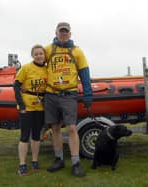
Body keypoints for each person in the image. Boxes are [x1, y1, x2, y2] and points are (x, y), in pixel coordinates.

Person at [44, 22, 93, 177]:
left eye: (66, 32)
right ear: (56, 32)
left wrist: (88, 93)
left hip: (69, 94)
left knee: (71, 128)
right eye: (61, 31)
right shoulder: (48, 50)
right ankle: (58, 159)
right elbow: (37, 67)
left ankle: (76, 163)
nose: (63, 34)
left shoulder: (77, 51)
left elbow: (84, 73)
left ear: (70, 34)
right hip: (51, 94)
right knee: (55, 128)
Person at [14, 45, 47, 175]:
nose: (39, 56)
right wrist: (21, 105)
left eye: (41, 53)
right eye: (36, 54)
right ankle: (22, 164)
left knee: (36, 135)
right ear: (32, 55)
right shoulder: (26, 68)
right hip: (27, 107)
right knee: (24, 136)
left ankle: (34, 161)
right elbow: (16, 86)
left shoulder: (46, 69)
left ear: (44, 55)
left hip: (40, 107)